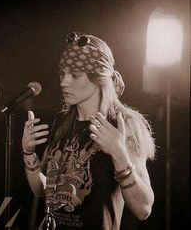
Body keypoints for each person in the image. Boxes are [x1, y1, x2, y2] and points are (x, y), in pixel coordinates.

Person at [21, 32, 156, 230]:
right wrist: (28, 153)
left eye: (74, 74)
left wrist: (119, 154)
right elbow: (42, 191)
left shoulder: (123, 123)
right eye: (62, 73)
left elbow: (144, 209)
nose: (63, 82)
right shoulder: (62, 122)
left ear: (98, 77)